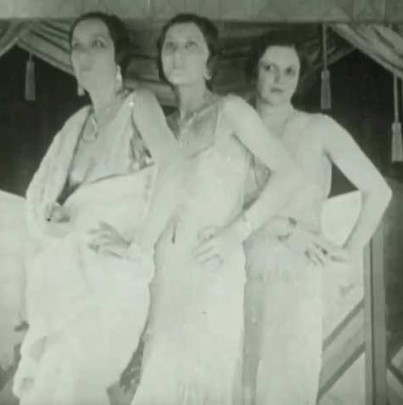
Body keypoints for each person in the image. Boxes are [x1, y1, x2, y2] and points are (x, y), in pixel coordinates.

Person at [130, 14, 304, 405]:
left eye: (191, 45)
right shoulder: (160, 127)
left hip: (213, 270)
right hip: (164, 276)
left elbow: (290, 174)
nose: (178, 54)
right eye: (170, 46)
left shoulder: (232, 111)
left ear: (210, 63)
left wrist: (237, 232)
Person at [12, 12, 183, 405]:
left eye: (98, 44)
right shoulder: (76, 123)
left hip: (112, 281)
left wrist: (139, 245)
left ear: (117, 56)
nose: (84, 54)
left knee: (72, 373)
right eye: (76, 46)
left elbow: (175, 168)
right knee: (54, 381)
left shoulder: (138, 104)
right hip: (66, 281)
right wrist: (53, 216)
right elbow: (41, 199)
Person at [241, 31, 393, 404]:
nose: (279, 79)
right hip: (238, 266)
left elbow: (379, 191)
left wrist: (349, 249)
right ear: (254, 70)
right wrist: (285, 229)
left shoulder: (318, 128)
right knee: (237, 382)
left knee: (288, 383)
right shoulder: (232, 126)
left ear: (300, 77)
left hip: (296, 273)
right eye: (269, 68)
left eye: (289, 71)